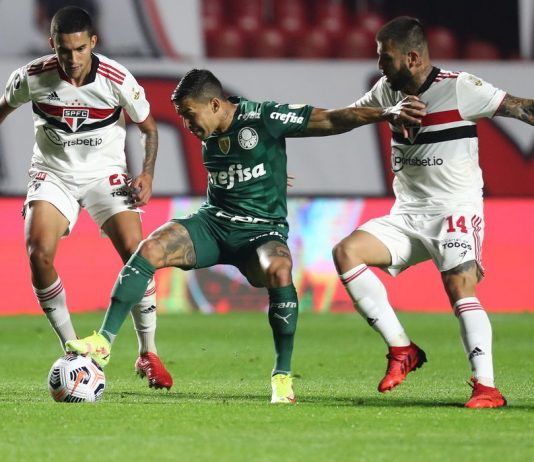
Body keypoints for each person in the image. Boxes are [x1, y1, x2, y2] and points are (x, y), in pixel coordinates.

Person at [66, 68, 426, 404]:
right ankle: (104, 342)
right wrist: (268, 172)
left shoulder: (263, 117)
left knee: (280, 271)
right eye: (182, 118)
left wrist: (385, 113)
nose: (187, 125)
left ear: (215, 104)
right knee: (149, 249)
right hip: (214, 223)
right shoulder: (210, 129)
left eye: (190, 115)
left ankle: (282, 376)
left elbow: (331, 118)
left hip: (260, 232)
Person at [332, 16, 533, 408]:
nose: (379, 65)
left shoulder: (460, 87)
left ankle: (486, 387)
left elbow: (521, 109)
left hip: (454, 210)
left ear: (412, 58)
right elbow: (343, 118)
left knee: (459, 286)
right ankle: (402, 349)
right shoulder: (386, 91)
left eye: (385, 57)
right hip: (407, 214)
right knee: (346, 253)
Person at [0, 6, 173, 389]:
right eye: (64, 50)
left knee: (138, 255)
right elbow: (2, 110)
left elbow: (148, 128)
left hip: (104, 175)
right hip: (53, 174)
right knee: (38, 254)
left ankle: (148, 352)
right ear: (52, 45)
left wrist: (146, 173)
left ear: (93, 42)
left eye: (80, 49)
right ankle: (73, 350)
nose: (73, 58)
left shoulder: (116, 79)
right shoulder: (32, 77)